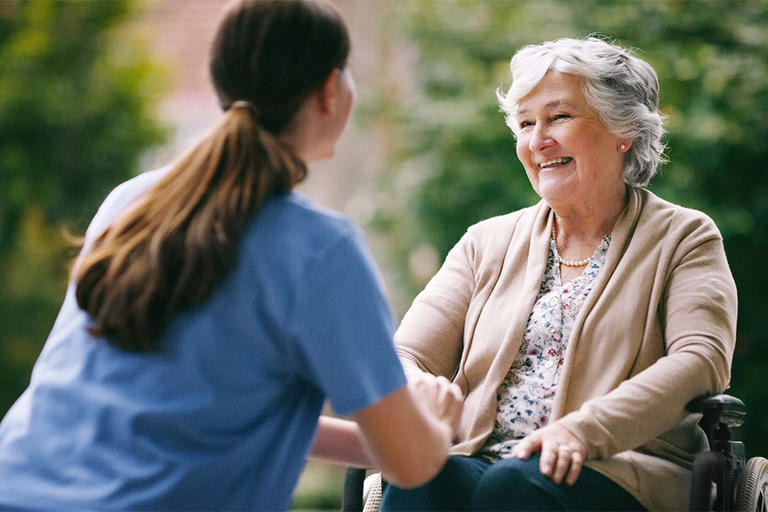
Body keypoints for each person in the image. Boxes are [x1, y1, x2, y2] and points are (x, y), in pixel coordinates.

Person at [0, 1, 462, 510]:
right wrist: (435, 426)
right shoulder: (321, 251)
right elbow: (412, 465)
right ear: (330, 91)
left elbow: (208, 412)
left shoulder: (132, 202)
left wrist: (374, 441)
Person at [381, 36, 737, 511]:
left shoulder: (684, 237)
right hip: (482, 458)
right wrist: (418, 385)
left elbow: (701, 360)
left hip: (618, 466)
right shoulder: (484, 242)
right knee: (420, 479)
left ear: (622, 130)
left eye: (559, 118)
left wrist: (583, 431)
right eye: (526, 124)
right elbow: (407, 354)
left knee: (516, 487)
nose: (537, 141)